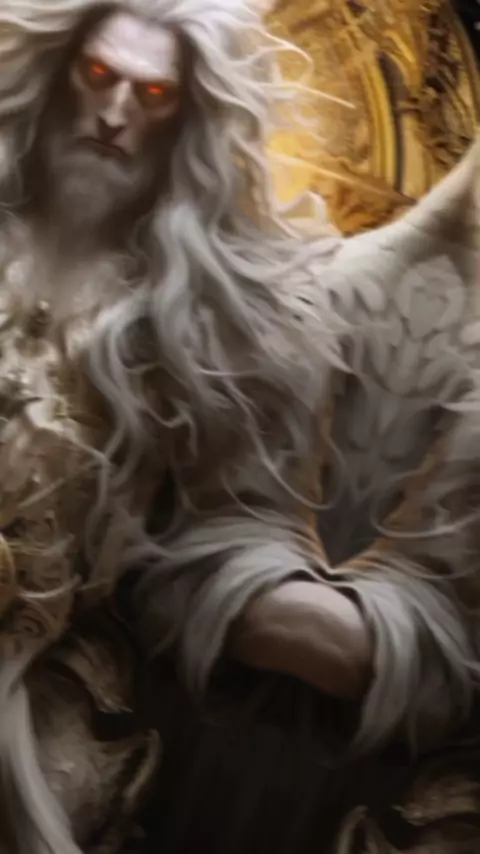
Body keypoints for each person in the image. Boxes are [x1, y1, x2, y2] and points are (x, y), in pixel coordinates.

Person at [0, 1, 479, 852]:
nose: (114, 114)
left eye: (152, 94)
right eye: (100, 76)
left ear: (187, 117)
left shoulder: (203, 331)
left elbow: (188, 549)